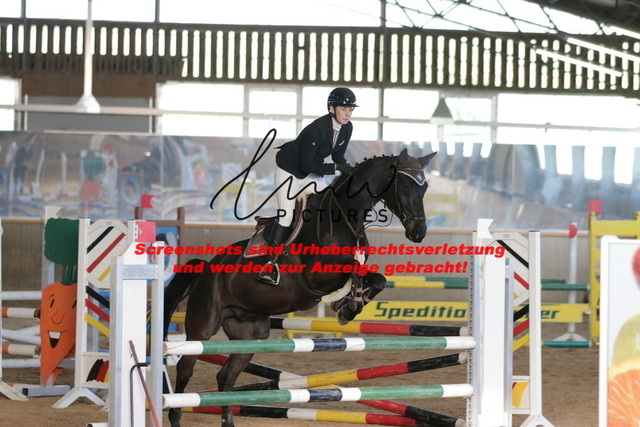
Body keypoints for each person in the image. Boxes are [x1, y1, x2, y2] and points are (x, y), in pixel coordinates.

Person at [258, 87, 358, 285]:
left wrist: (350, 172)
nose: (348, 113)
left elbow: (338, 156)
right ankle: (271, 263)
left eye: (350, 109)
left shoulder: (347, 128)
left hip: (312, 171)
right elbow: (306, 165)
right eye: (343, 109)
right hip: (290, 171)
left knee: (326, 207)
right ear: (331, 108)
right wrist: (336, 168)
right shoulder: (317, 128)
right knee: (286, 216)